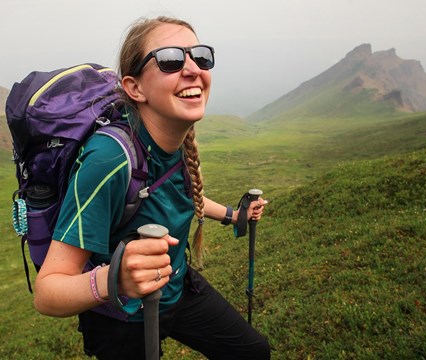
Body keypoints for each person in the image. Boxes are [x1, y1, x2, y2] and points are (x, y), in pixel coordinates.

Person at [34, 16, 270, 359]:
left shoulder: (174, 138)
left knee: (253, 351)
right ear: (135, 88)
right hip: (123, 317)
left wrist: (234, 216)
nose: (192, 68)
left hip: (176, 287)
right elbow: (47, 292)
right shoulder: (109, 158)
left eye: (201, 57)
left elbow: (180, 194)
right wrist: (114, 278)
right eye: (171, 59)